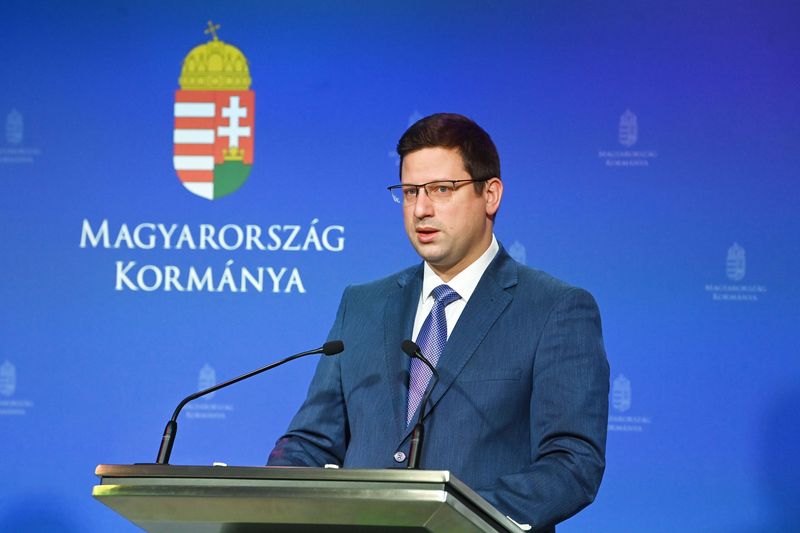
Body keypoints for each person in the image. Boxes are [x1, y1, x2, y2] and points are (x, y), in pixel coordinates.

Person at [268, 113, 609, 532]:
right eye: (410, 192)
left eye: (441, 189)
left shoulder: (554, 309)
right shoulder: (362, 305)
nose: (421, 209)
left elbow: (572, 463)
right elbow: (310, 442)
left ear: (490, 195)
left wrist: (451, 519)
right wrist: (275, 499)